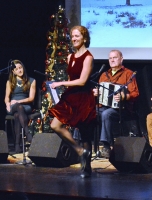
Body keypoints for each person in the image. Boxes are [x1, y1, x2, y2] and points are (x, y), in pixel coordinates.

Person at [48, 25, 96, 178]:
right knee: (55, 124)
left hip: (83, 98)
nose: (74, 39)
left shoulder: (88, 57)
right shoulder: (70, 57)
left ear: (84, 38)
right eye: (72, 36)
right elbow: (71, 79)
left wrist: (61, 83)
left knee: (85, 133)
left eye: (77, 36)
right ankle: (80, 151)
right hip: (71, 97)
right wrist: (64, 88)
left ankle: (86, 167)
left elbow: (82, 81)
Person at [93, 50, 139, 158]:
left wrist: (124, 97)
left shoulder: (129, 74)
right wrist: (96, 93)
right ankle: (79, 143)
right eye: (110, 58)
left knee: (106, 114)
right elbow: (99, 92)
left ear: (121, 59)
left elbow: (135, 93)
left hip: (122, 109)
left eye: (115, 57)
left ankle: (106, 146)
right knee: (87, 111)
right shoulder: (104, 75)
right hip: (103, 107)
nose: (112, 60)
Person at [4, 60, 36, 153]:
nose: (19, 70)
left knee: (18, 114)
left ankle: (17, 146)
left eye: (20, 68)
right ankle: (28, 134)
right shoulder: (10, 82)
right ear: (13, 71)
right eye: (16, 69)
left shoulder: (31, 81)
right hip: (13, 106)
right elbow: (6, 97)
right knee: (18, 107)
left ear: (23, 68)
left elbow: (31, 98)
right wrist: (7, 104)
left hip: (25, 106)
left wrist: (18, 101)